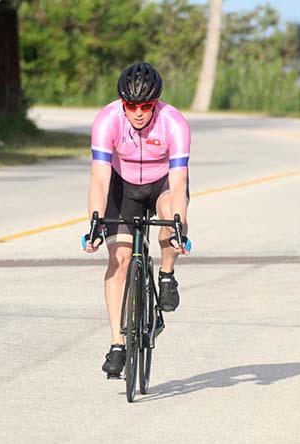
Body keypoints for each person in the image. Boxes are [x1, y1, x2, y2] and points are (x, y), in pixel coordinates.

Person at [83, 61, 191, 377]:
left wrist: (179, 227)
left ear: (156, 103)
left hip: (162, 183)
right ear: (123, 103)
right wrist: (95, 223)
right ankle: (117, 344)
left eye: (146, 106)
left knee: (170, 222)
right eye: (131, 106)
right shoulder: (107, 120)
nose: (139, 113)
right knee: (119, 260)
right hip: (122, 185)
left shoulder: (174, 123)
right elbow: (99, 178)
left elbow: (179, 182)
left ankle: (167, 274)